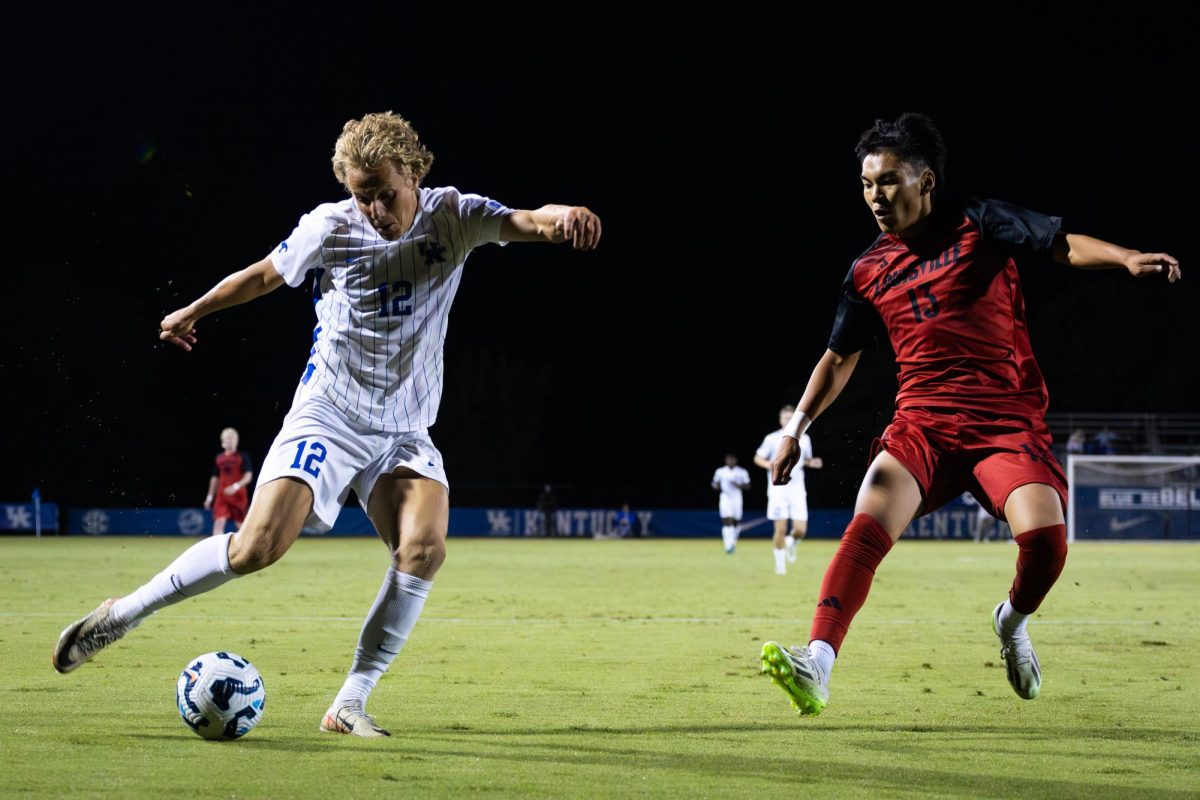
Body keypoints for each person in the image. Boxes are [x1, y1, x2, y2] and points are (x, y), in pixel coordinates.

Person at [52, 111, 602, 738]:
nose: (373, 209)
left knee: (423, 550)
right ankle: (122, 614)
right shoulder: (330, 226)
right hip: (331, 412)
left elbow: (528, 219)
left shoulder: (455, 215)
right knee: (257, 548)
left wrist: (567, 220)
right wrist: (195, 309)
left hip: (404, 428)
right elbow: (263, 275)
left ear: (414, 173)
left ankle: (349, 702)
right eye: (360, 194)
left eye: (384, 193)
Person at [760, 112, 1180, 716]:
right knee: (865, 528)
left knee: (1046, 544)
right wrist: (796, 429)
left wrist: (1126, 257)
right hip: (921, 426)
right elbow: (837, 357)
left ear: (926, 180)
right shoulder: (867, 270)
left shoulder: (978, 221)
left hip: (1004, 424)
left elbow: (1059, 244)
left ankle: (1010, 622)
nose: (875, 196)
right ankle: (817, 663)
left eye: (888, 180)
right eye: (866, 183)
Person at [754, 405, 823, 574]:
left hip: (797, 488)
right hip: (778, 488)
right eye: (785, 417)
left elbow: (804, 460)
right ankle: (780, 566)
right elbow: (758, 458)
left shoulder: (804, 439)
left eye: (791, 418)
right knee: (781, 528)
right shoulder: (772, 439)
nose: (788, 420)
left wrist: (812, 462)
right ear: (780, 420)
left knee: (800, 530)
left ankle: (791, 543)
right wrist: (771, 467)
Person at [205, 427, 254, 536]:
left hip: (238, 496)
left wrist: (235, 486)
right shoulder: (219, 458)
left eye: (232, 438)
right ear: (223, 441)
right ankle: (218, 550)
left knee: (241, 525)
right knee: (219, 522)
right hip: (222, 496)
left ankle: (246, 549)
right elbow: (214, 478)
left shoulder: (242, 456)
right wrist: (209, 497)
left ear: (236, 441)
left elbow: (248, 476)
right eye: (227, 438)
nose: (230, 441)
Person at [711, 454, 751, 553]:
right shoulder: (720, 471)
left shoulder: (741, 472)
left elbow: (748, 486)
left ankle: (732, 542)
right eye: (728, 459)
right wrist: (716, 486)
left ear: (735, 460)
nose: (730, 461)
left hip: (737, 498)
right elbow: (715, 484)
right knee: (727, 520)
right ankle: (727, 545)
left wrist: (737, 484)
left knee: (736, 522)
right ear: (725, 460)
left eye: (732, 459)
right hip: (725, 497)